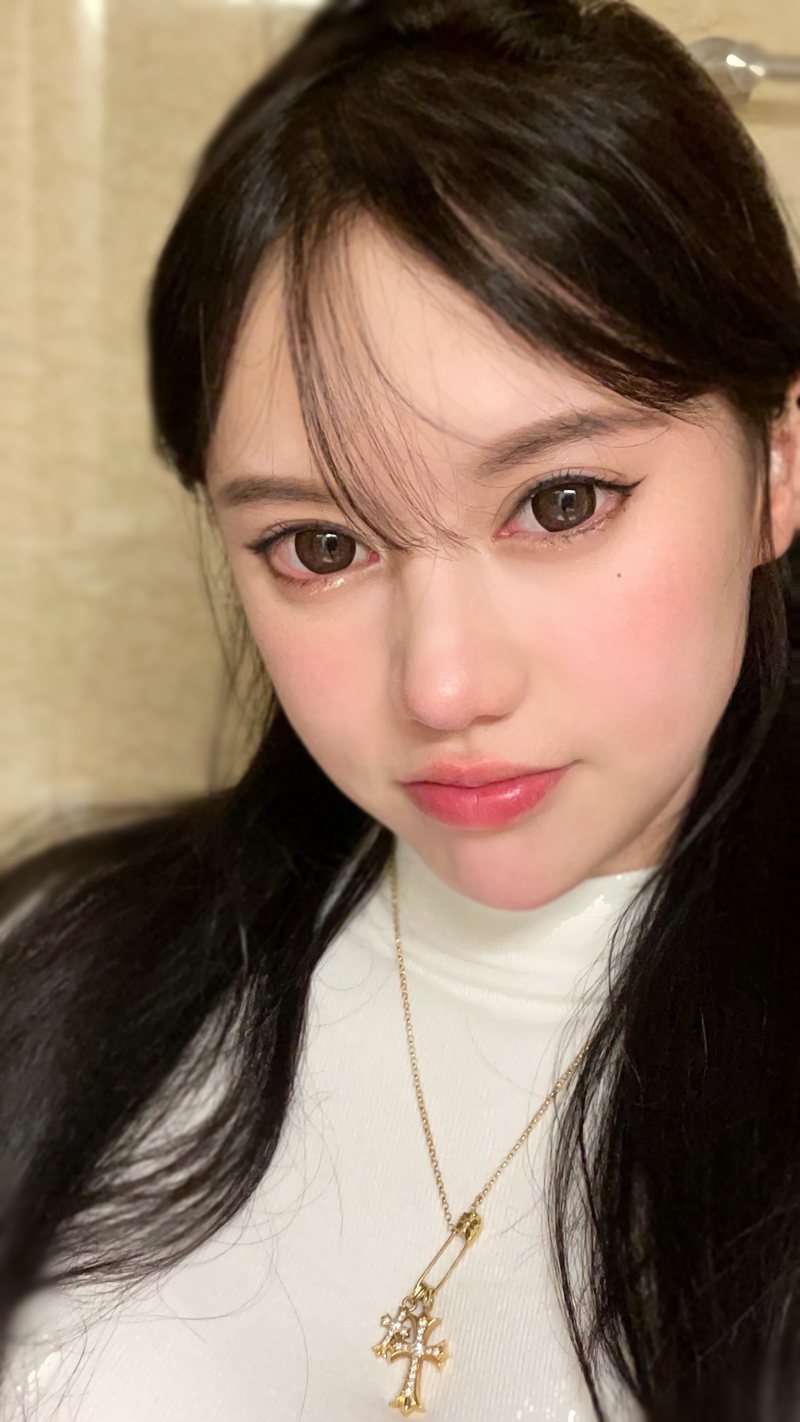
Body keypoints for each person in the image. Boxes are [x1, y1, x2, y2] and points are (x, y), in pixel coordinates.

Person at [1, 0, 798, 1417]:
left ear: (777, 470)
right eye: (320, 545)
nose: (442, 686)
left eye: (562, 502)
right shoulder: (63, 973)